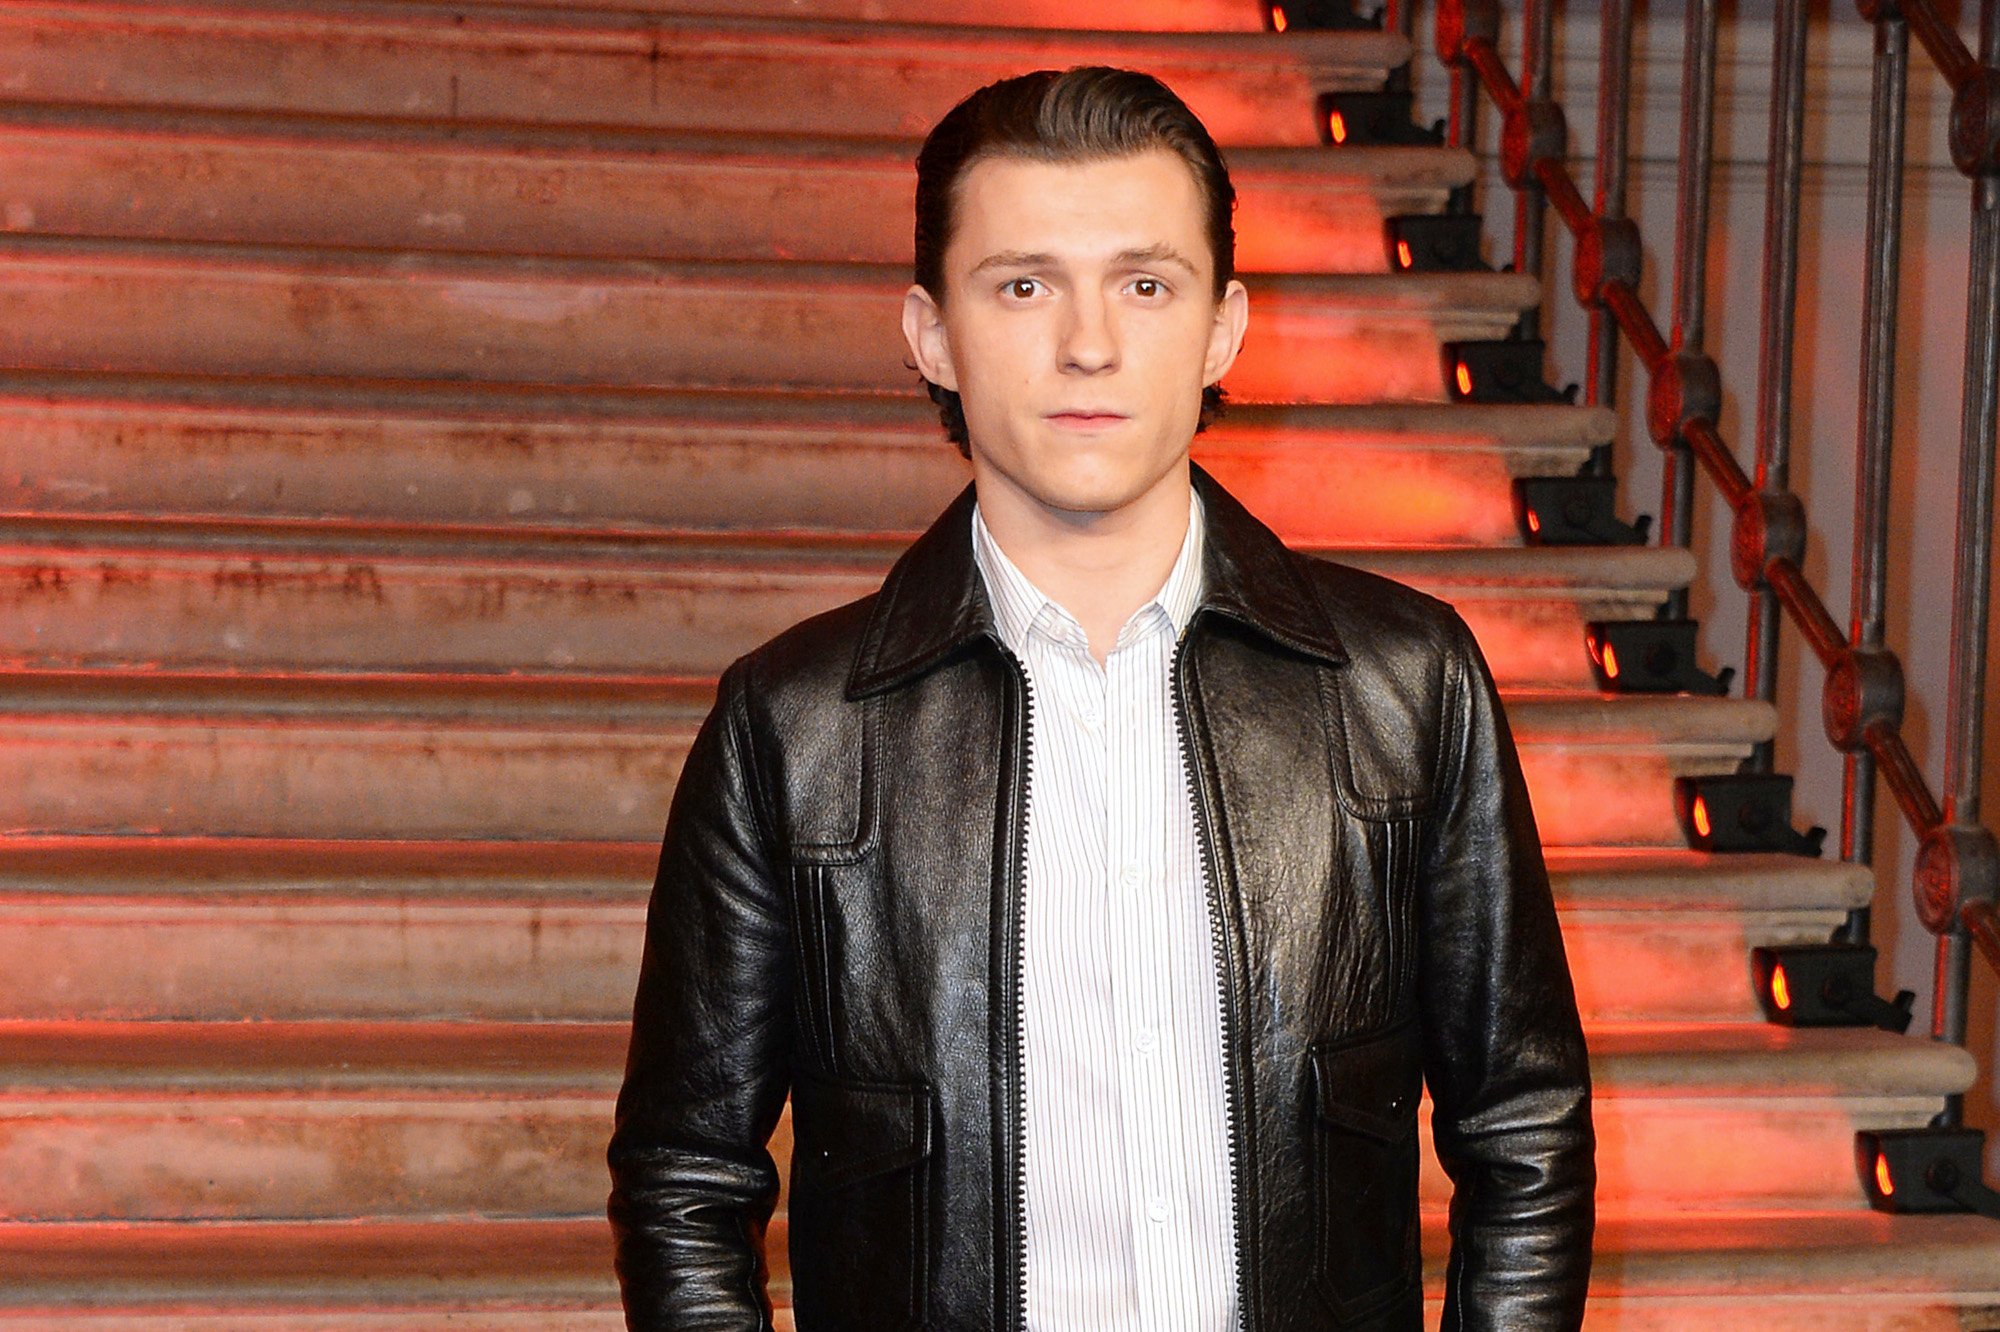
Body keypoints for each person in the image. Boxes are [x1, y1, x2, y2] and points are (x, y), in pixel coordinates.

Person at [608, 65, 1594, 1332]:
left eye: (1144, 283)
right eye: (1023, 285)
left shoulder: (1407, 685)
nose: (1088, 342)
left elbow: (1520, 1129)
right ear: (929, 334)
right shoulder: (791, 728)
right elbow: (687, 1177)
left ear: (1222, 328)